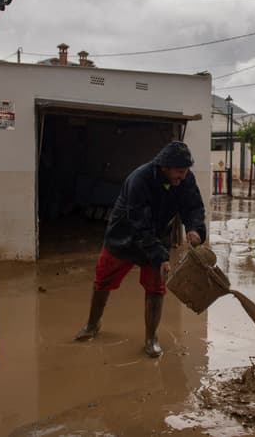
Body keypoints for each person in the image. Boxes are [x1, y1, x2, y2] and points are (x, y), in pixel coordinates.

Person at [75, 141, 206, 357]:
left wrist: (195, 229)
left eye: (186, 171)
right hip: (124, 234)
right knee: (103, 280)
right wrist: (159, 256)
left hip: (156, 234)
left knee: (156, 287)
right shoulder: (139, 179)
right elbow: (139, 224)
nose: (183, 176)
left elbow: (193, 206)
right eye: (180, 171)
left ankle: (151, 337)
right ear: (165, 167)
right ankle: (92, 324)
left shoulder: (185, 179)